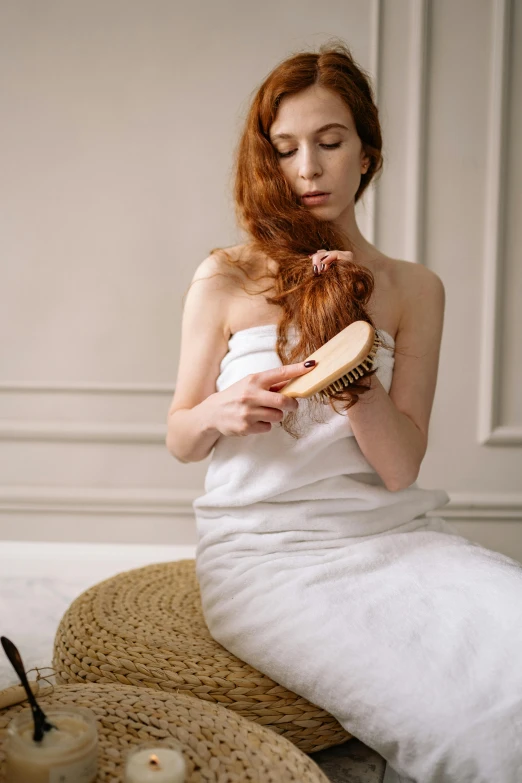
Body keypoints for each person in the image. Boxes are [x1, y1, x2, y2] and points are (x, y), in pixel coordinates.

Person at [166, 42, 522, 783]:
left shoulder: (413, 288)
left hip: (392, 537)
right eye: (287, 149)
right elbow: (179, 436)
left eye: (330, 143)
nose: (308, 169)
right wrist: (220, 410)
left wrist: (345, 362)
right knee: (463, 726)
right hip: (268, 559)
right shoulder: (226, 276)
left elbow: (399, 467)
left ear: (367, 153)